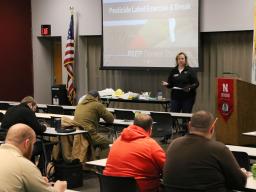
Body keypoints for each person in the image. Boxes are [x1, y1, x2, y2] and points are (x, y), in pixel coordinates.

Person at [163, 110, 247, 192]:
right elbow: (239, 182)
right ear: (212, 128)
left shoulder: (173, 144)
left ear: (189, 126)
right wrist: (242, 173)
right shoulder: (219, 149)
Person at [104, 114, 166, 192]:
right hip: (139, 188)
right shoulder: (151, 145)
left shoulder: (118, 140)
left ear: (133, 124)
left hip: (111, 186)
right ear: (150, 129)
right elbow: (166, 168)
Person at [0, 123, 67, 192]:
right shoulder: (24, 165)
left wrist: (36, 180)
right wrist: (59, 188)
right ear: (27, 143)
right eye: (33, 144)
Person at [1, 96, 48, 171]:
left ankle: (30, 169)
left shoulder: (10, 109)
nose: (34, 111)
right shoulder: (27, 111)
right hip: (19, 146)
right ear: (30, 104)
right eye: (35, 108)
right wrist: (44, 126)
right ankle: (40, 171)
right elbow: (39, 130)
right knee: (46, 145)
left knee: (30, 141)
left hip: (5, 142)